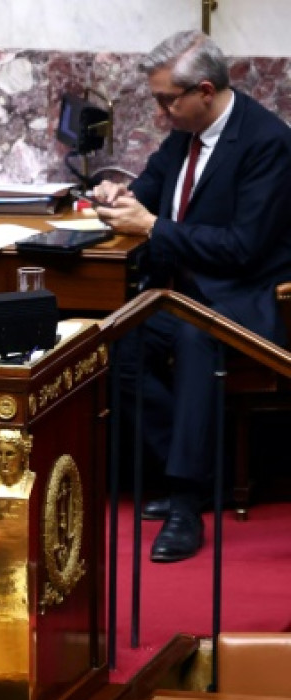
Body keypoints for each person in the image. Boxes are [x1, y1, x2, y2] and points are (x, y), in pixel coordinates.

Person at [94, 30, 291, 562]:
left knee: (195, 334)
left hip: (243, 298)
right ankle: (208, 478)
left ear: (205, 90)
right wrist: (119, 197)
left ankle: (185, 501)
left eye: (167, 100)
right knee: (114, 342)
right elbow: (151, 189)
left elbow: (244, 249)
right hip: (182, 294)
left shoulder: (267, 142)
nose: (161, 112)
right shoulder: (186, 133)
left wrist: (153, 226)